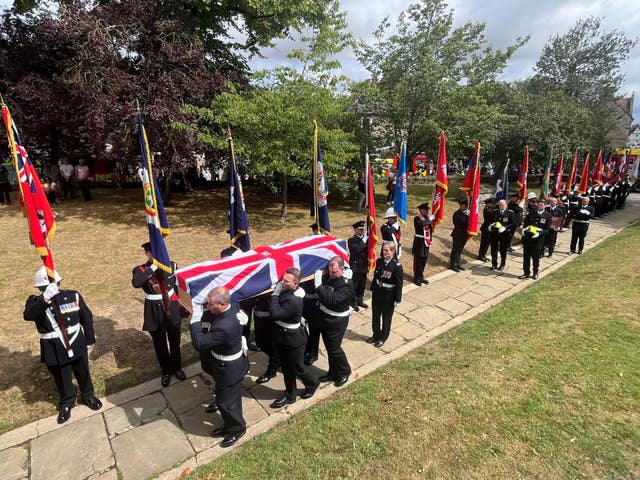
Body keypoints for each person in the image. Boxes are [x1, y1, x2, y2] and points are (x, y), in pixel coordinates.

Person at [23, 267, 102, 424]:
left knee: (83, 370)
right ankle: (67, 401)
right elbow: (28, 315)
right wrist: (45, 297)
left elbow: (86, 316)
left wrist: (90, 340)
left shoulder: (72, 295)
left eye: (52, 285)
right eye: (44, 287)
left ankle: (88, 395)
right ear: (40, 288)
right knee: (61, 375)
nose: (51, 288)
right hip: (53, 345)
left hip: (75, 340)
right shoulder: (35, 302)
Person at [190, 287, 249, 448]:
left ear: (222, 304)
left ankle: (238, 428)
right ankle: (229, 425)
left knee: (225, 402)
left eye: (211, 305)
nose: (208, 307)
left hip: (229, 368)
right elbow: (235, 302)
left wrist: (195, 320)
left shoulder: (225, 326)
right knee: (232, 398)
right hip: (226, 364)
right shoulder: (232, 306)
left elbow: (200, 343)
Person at [131, 242, 185, 387]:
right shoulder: (140, 269)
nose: (154, 255)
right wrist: (154, 267)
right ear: (146, 254)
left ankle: (177, 367)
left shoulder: (171, 265)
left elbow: (177, 286)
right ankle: (166, 371)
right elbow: (136, 283)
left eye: (156, 253)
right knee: (160, 344)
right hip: (154, 310)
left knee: (175, 341)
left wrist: (184, 305)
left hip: (172, 307)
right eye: (151, 253)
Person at [269, 268, 319, 408]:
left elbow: (275, 314)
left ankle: (313, 383)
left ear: (296, 283)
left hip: (293, 340)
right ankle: (290, 395)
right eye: (283, 279)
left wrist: (275, 294)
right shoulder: (289, 292)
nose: (282, 282)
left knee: (297, 367)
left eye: (286, 281)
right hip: (282, 336)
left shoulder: (294, 300)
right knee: (286, 367)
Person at [316, 256, 353, 387]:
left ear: (342, 269)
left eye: (335, 271)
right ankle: (332, 372)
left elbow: (331, 300)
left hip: (337, 321)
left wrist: (319, 286)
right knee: (329, 348)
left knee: (334, 348)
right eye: (330, 271)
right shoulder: (329, 278)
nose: (332, 274)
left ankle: (345, 371)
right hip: (325, 317)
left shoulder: (346, 285)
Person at [369, 242, 403, 347]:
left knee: (386, 318)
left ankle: (383, 337)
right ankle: (376, 335)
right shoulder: (379, 261)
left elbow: (399, 283)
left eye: (387, 250)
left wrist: (397, 299)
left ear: (392, 251)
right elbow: (376, 276)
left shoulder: (396, 266)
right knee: (375, 316)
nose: (384, 252)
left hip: (389, 296)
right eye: (383, 250)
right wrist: (372, 289)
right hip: (378, 293)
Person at [253, 293, 281, 384]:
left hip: (270, 319)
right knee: (260, 343)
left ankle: (272, 370)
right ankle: (278, 359)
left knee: (272, 345)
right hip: (258, 316)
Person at [519, 200, 551, 280]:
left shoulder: (547, 216)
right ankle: (526, 272)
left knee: (535, 257)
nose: (539, 206)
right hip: (528, 237)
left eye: (541, 205)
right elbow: (526, 223)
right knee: (526, 256)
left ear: (545, 206)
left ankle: (535, 272)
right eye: (539, 205)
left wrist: (539, 234)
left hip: (538, 239)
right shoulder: (531, 213)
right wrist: (524, 230)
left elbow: (547, 229)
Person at [488, 199, 516, 271]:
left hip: (504, 234)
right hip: (494, 233)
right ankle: (494, 264)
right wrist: (490, 226)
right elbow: (491, 220)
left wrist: (505, 227)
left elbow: (513, 223)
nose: (501, 206)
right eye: (500, 205)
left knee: (502, 249)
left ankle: (502, 264)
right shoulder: (495, 212)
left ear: (506, 205)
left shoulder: (510, 213)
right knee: (494, 249)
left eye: (502, 205)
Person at [348, 220, 369, 311]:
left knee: (362, 285)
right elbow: (357, 249)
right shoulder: (351, 240)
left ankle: (360, 300)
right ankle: (353, 302)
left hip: (364, 266)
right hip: (356, 267)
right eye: (360, 229)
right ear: (355, 230)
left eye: (362, 229)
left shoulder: (365, 239)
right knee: (354, 286)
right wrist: (364, 240)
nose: (362, 231)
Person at [412, 202, 433, 285]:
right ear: (421, 210)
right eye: (425, 210)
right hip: (419, 242)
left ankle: (421, 276)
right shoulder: (417, 218)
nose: (427, 212)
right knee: (418, 261)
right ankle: (416, 277)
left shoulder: (427, 218)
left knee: (424, 259)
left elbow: (430, 230)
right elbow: (421, 224)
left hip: (426, 242)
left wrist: (430, 240)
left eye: (427, 210)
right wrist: (429, 220)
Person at [449, 198, 469, 272]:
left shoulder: (466, 213)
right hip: (458, 234)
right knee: (455, 250)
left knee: (460, 250)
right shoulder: (457, 213)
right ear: (461, 206)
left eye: (466, 205)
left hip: (464, 234)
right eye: (464, 205)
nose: (466, 207)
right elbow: (462, 221)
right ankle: (453, 264)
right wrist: (468, 216)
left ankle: (458, 263)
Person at [477, 198, 496, 262]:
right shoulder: (487, 209)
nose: (492, 204)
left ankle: (484, 255)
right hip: (486, 228)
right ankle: (481, 256)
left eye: (493, 203)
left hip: (490, 228)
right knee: (484, 243)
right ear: (488, 204)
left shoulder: (491, 209)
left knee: (487, 243)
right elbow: (493, 215)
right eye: (491, 203)